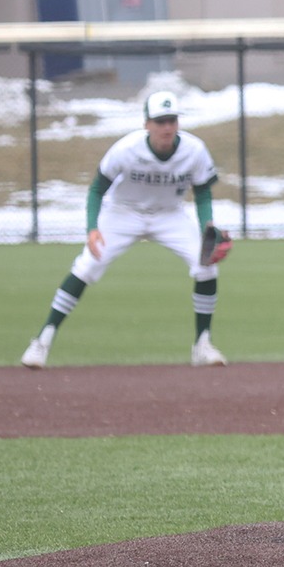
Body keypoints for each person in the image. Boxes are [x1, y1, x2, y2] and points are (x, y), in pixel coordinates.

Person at [20, 90, 230, 368]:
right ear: (147, 124)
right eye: (160, 121)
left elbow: (202, 192)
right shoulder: (126, 148)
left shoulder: (194, 150)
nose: (167, 127)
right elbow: (97, 189)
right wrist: (92, 228)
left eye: (171, 120)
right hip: (123, 213)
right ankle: (42, 342)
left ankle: (202, 345)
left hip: (169, 215)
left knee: (206, 267)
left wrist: (208, 225)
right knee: (87, 266)